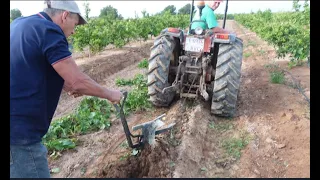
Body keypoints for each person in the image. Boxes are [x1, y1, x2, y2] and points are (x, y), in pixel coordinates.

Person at [10, 0, 123, 178]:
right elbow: (77, 81)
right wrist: (111, 94)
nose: (74, 31)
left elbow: (32, 66)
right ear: (64, 16)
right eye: (75, 24)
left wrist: (67, 84)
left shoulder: (19, 24)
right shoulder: (50, 31)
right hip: (19, 134)